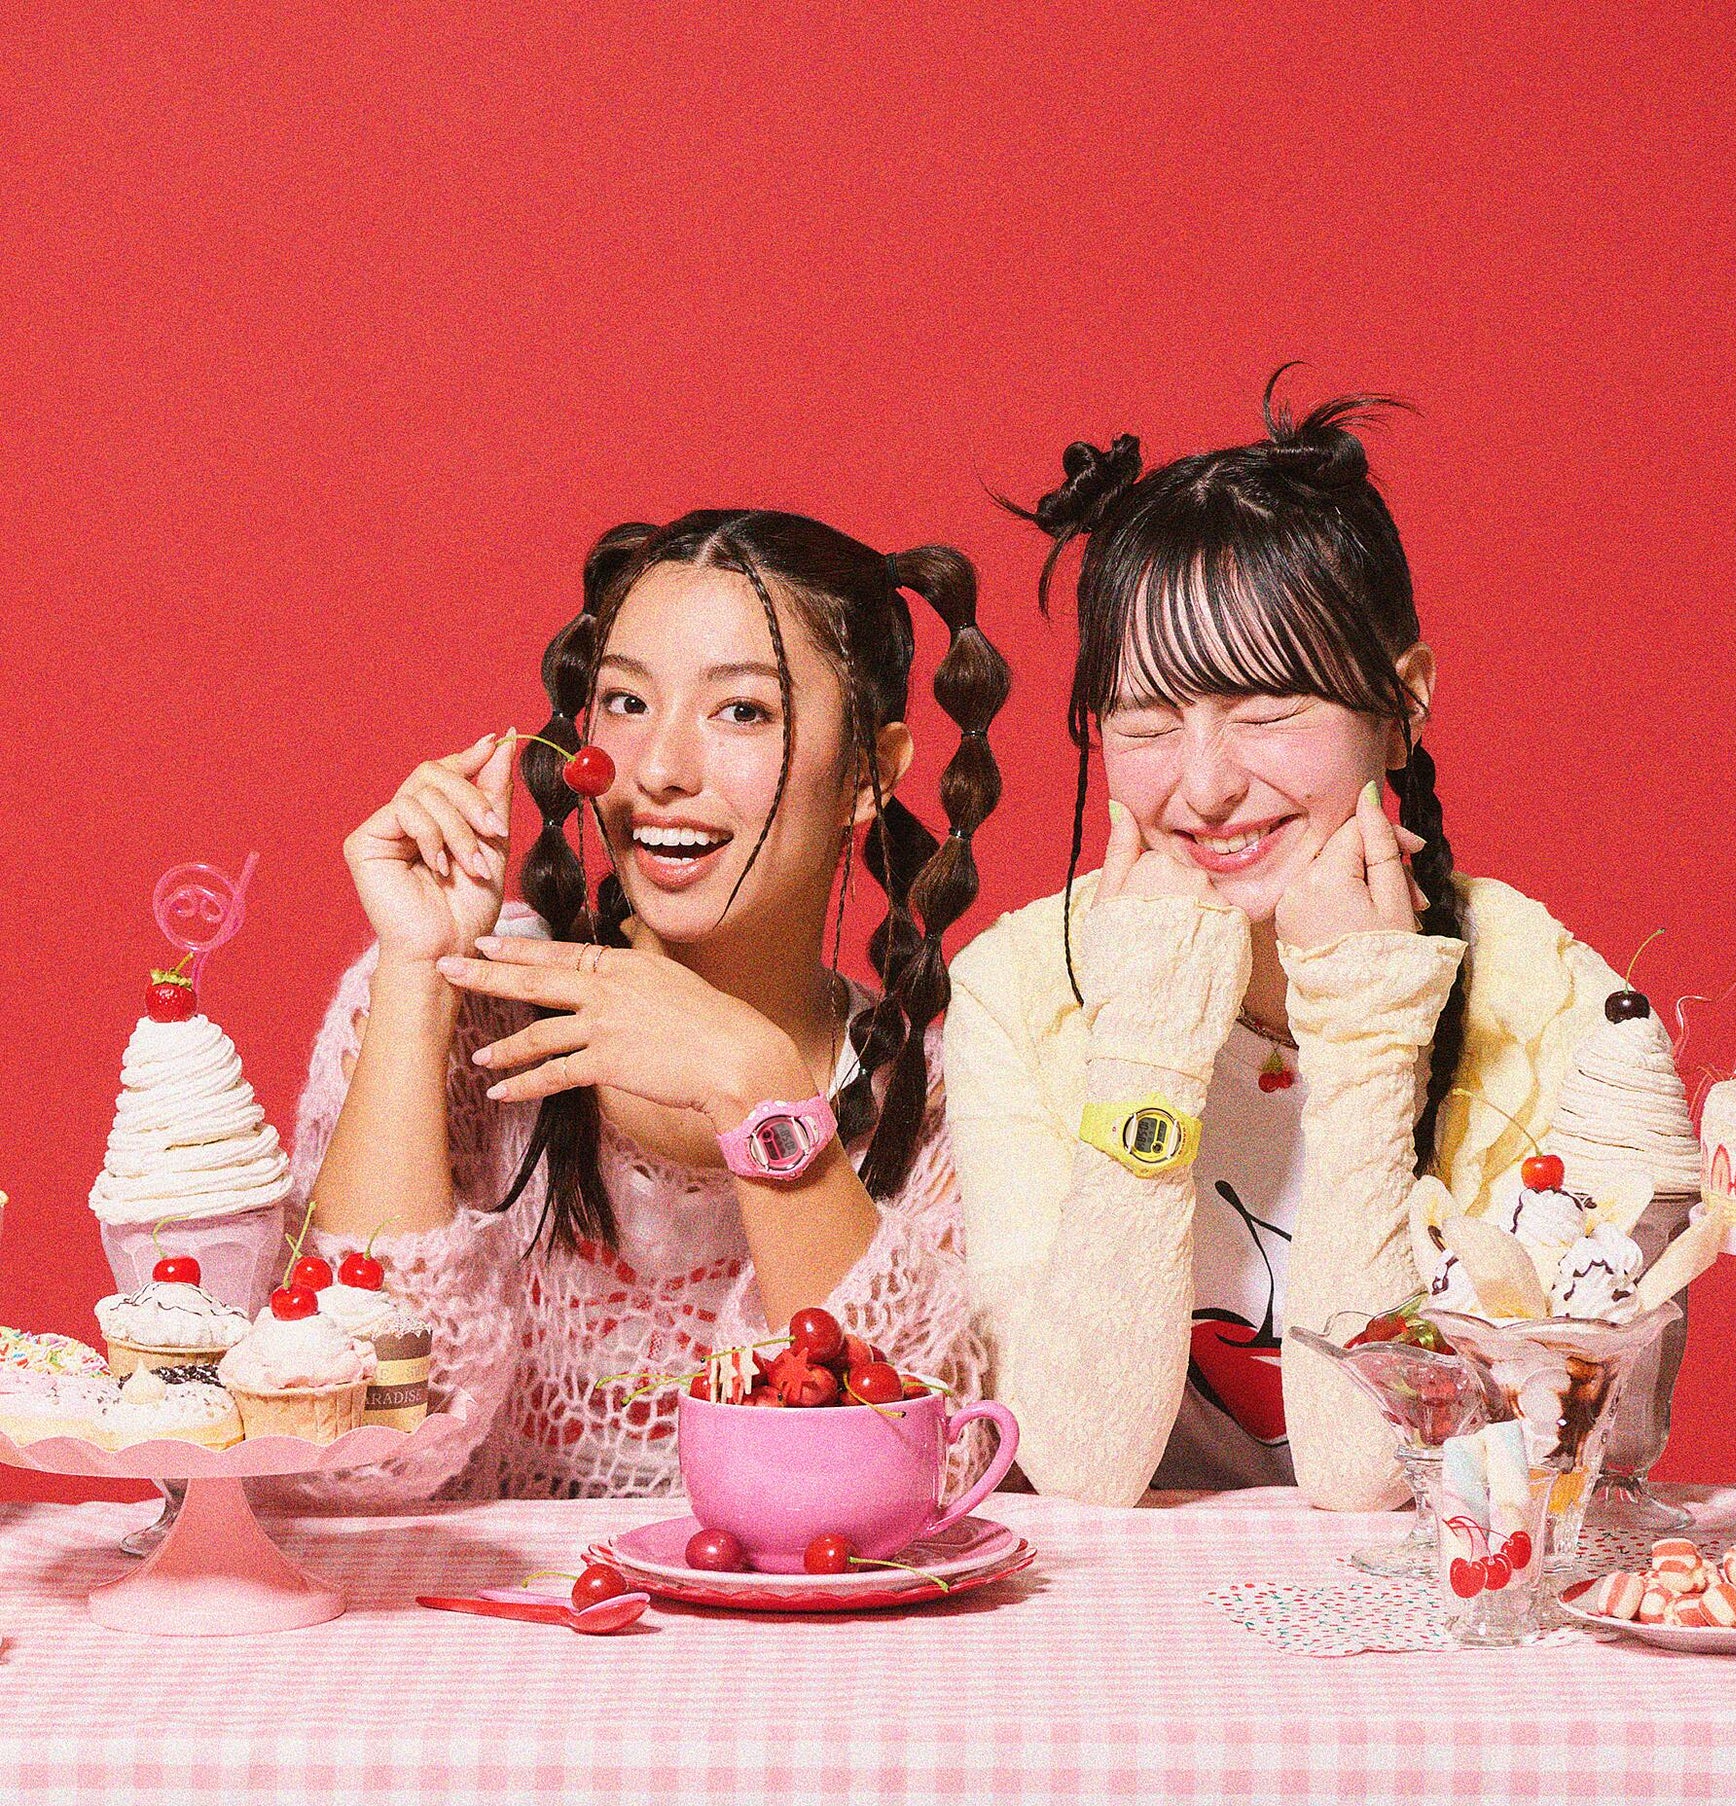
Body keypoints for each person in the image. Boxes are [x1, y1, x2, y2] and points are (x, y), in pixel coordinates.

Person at [944, 377, 1658, 1509]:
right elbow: (1073, 1463)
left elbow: (1374, 1475)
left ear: (1401, 700)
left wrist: (1368, 1036)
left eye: (1267, 707)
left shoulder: (1572, 1012)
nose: (1207, 785)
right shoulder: (1020, 990)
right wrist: (1145, 1041)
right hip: (1122, 1647)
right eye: (1145, 720)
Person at [290, 510, 1009, 1500]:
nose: (661, 768)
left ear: (867, 774)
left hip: (796, 1653)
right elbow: (351, 1452)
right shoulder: (462, 1003)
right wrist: (418, 975)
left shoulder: (942, 1095)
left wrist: (750, 1084)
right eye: (625, 701)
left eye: (742, 712)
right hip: (470, 1645)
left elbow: (895, 1487)